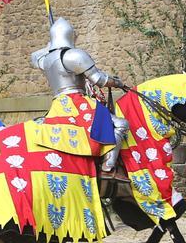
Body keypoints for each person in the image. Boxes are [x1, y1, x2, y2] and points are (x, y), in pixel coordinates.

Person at [29, 17, 129, 171]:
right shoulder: (73, 55)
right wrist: (117, 82)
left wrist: (49, 47)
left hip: (57, 104)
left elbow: (34, 57)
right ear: (70, 35)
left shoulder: (45, 60)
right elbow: (99, 79)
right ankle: (108, 164)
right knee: (121, 124)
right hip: (76, 102)